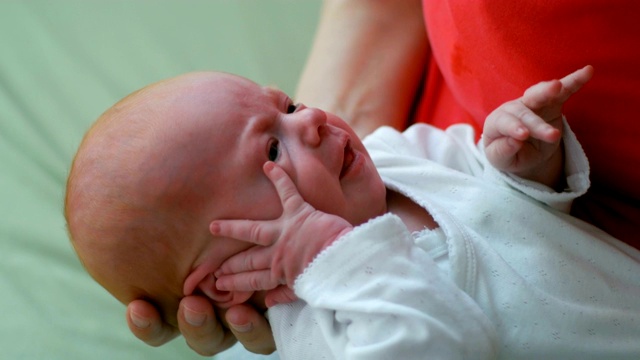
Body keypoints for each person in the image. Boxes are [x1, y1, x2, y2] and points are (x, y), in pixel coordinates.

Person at [125, 2, 640, 354]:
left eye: (289, 104)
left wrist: (523, 167)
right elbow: (442, 348)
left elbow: (529, 227)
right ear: (228, 278)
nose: (312, 119)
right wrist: (342, 257)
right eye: (274, 147)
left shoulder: (396, 154)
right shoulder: (322, 329)